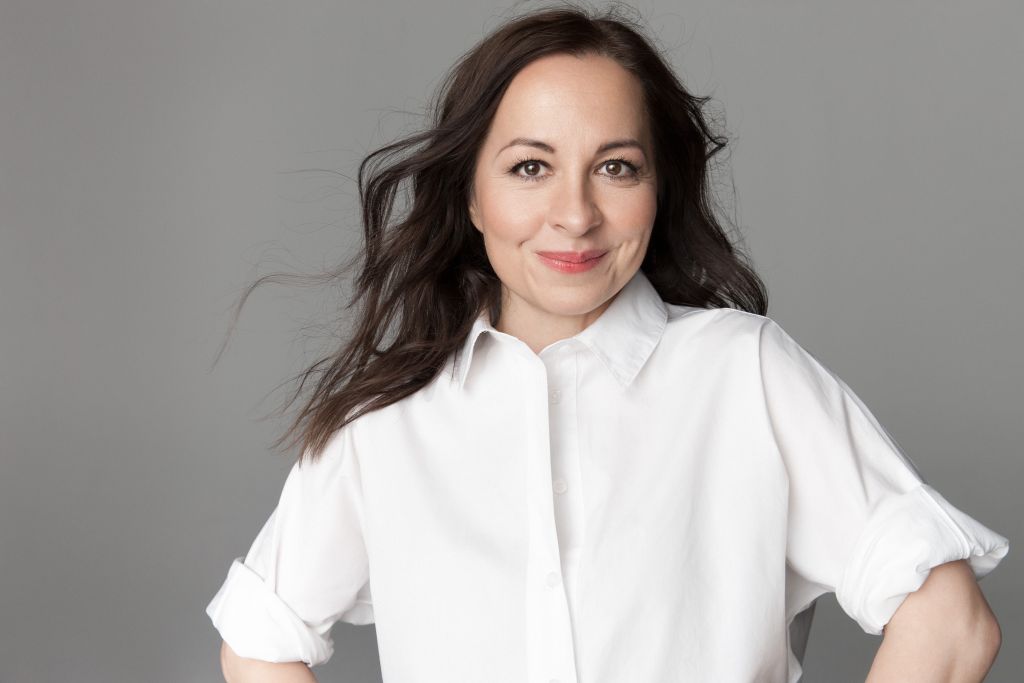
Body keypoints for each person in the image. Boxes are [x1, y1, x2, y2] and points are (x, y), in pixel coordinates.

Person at [205, 4, 1009, 682]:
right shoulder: (386, 422)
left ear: (658, 189)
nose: (576, 214)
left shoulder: (744, 375)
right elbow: (259, 642)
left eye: (616, 168)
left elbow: (951, 624)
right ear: (472, 196)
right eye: (530, 168)